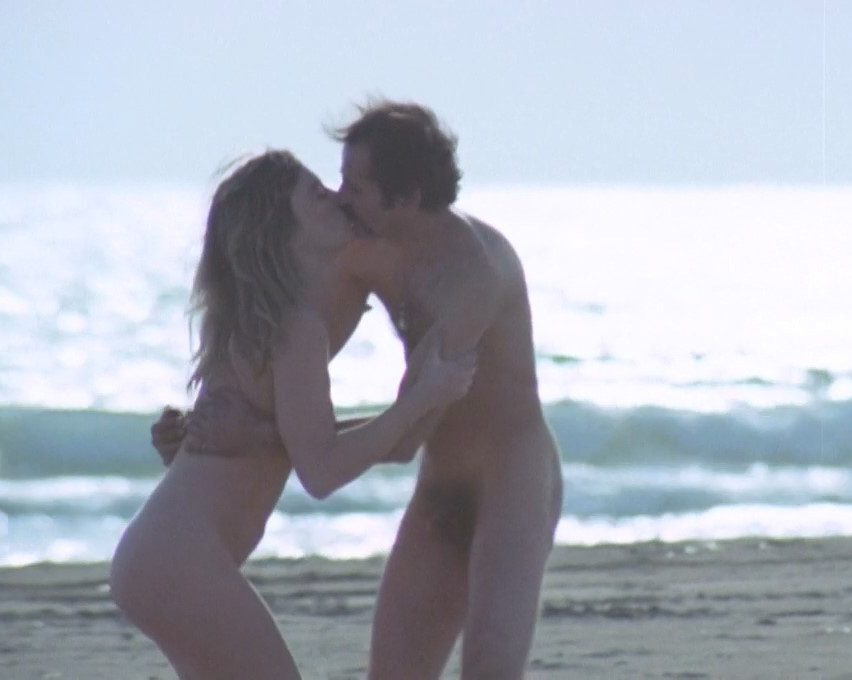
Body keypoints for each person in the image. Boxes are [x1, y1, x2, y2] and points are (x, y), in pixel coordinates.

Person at [157, 101, 564, 679]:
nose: (340, 196)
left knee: (490, 671)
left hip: (513, 484)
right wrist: (208, 426)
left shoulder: (471, 278)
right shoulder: (364, 253)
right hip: (439, 484)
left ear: (407, 197)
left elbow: (404, 436)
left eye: (356, 186)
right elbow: (275, 345)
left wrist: (257, 434)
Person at [113, 150, 476, 680]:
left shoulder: (262, 321)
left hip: (153, 558)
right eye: (316, 194)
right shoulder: (296, 329)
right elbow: (321, 470)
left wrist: (410, 414)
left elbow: (318, 443)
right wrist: (423, 397)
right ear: (283, 228)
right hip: (178, 562)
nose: (335, 199)